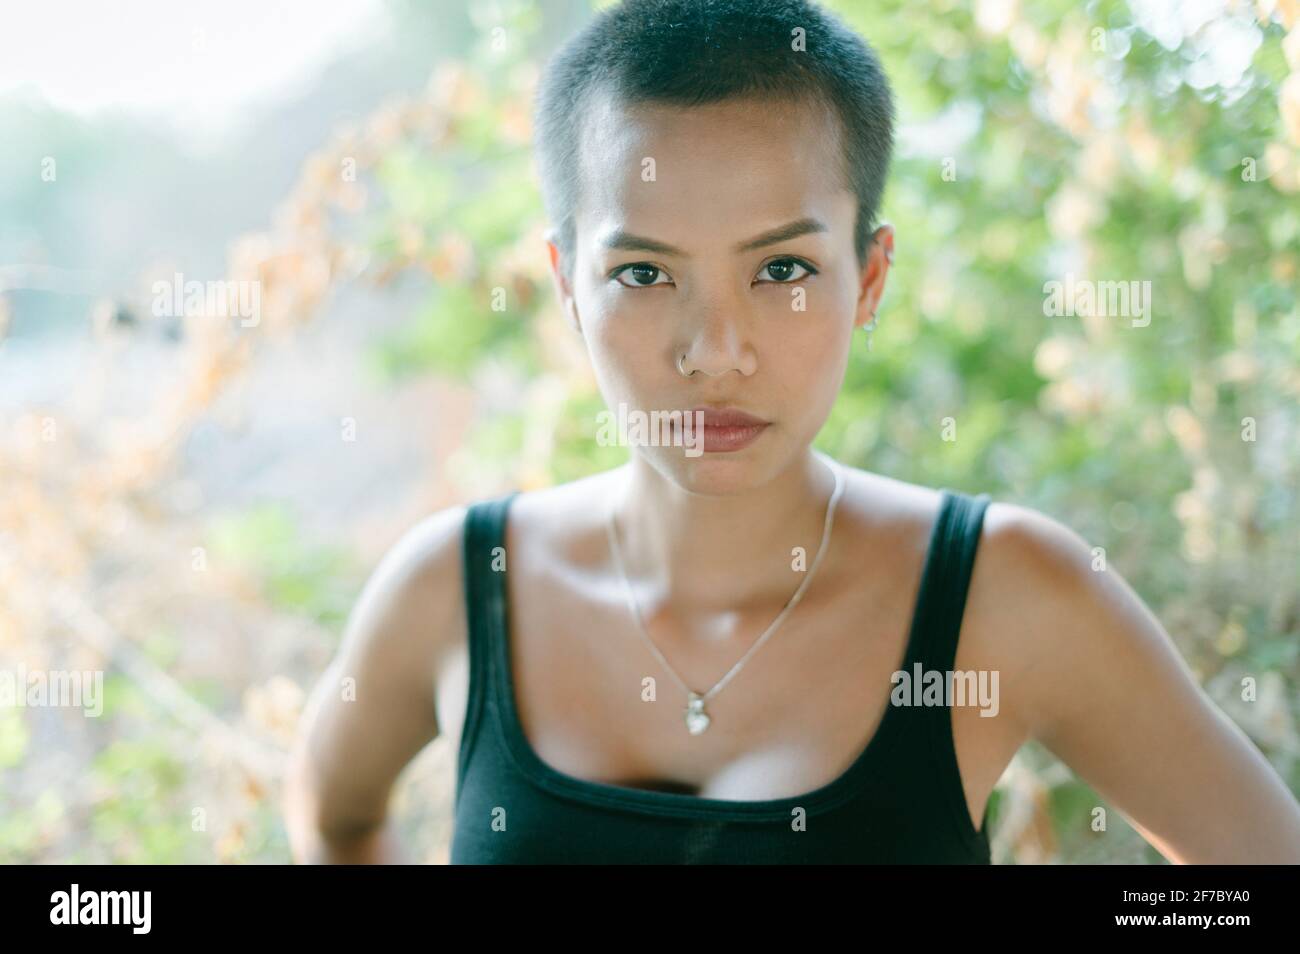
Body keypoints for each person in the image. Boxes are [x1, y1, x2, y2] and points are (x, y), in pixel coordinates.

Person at [283, 0, 1300, 863]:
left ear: (867, 279)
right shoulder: (456, 589)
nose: (715, 352)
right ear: (565, 286)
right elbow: (334, 815)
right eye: (643, 273)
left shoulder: (1007, 592)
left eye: (781, 271)